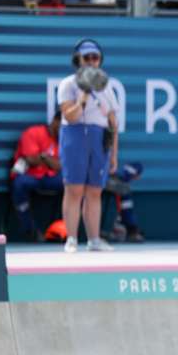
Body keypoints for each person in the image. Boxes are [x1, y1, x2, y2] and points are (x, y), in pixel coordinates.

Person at [57, 38, 118, 253]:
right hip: (74, 136)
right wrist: (82, 97)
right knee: (74, 189)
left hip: (99, 137)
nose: (92, 62)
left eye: (95, 57)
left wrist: (113, 155)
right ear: (78, 59)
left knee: (95, 191)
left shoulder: (107, 86)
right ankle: (72, 239)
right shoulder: (67, 84)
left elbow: (113, 122)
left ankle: (94, 240)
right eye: (87, 57)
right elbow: (70, 116)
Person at [10, 112, 63, 241]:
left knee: (73, 184)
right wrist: (49, 161)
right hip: (30, 175)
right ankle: (30, 229)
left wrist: (43, 156)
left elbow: (60, 166)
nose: (65, 129)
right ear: (56, 121)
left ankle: (63, 231)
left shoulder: (64, 140)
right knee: (19, 184)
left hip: (51, 177)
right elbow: (31, 159)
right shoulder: (33, 132)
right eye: (64, 125)